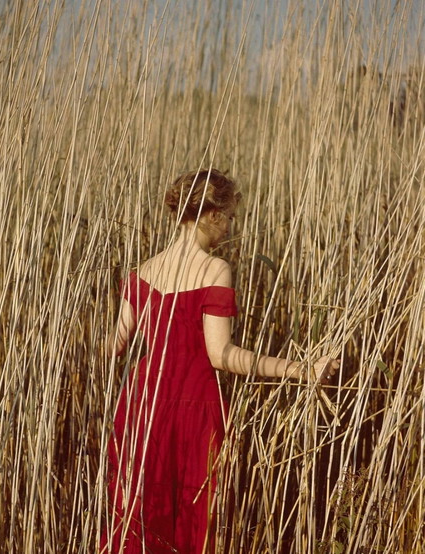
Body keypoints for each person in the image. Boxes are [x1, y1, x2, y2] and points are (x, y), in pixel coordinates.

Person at [102, 168, 339, 553]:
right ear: (212, 215)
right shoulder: (215, 269)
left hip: (141, 402)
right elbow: (222, 355)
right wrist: (299, 370)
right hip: (194, 408)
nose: (229, 228)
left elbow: (113, 346)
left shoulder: (140, 272)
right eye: (229, 218)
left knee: (139, 511)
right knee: (194, 515)